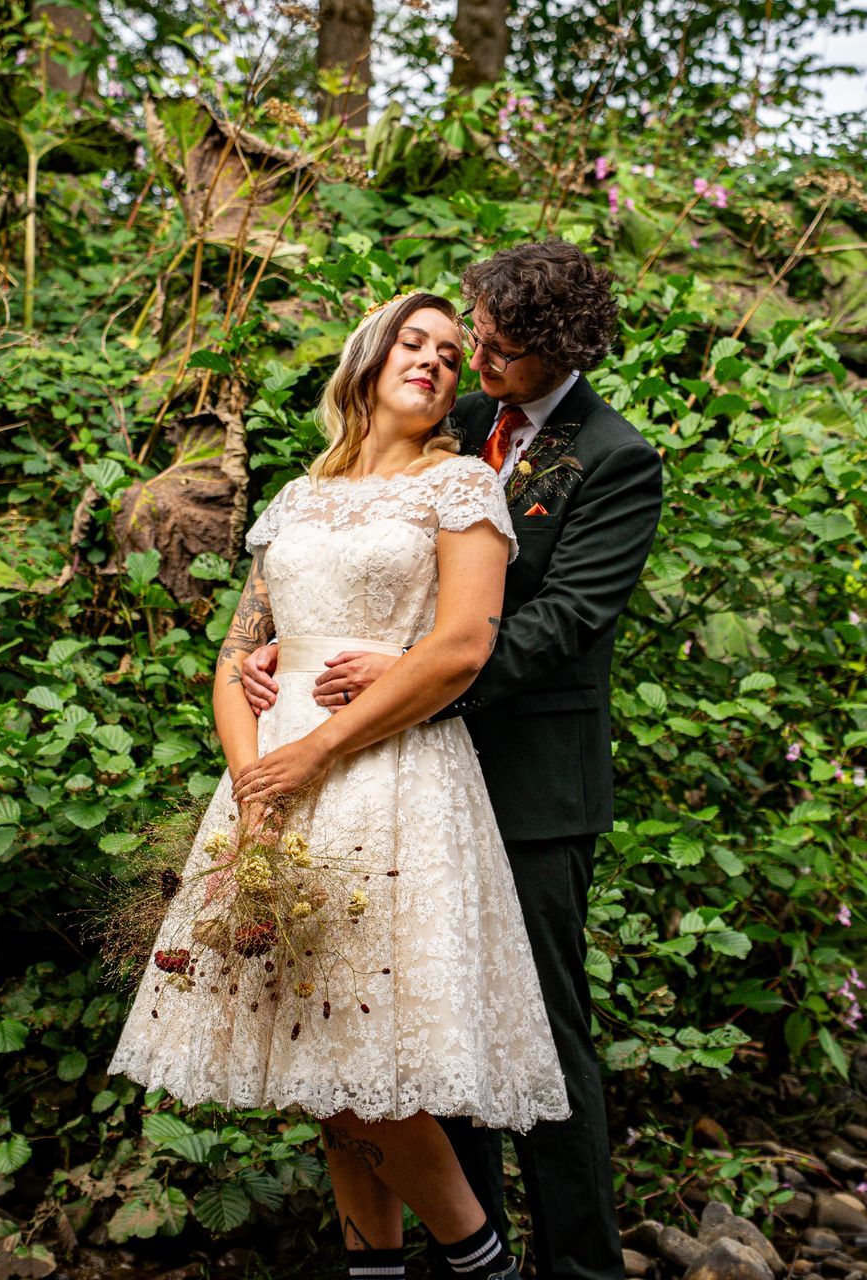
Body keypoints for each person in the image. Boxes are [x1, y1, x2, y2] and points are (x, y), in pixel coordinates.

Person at [109, 292, 570, 1280]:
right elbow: (237, 654)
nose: (436, 362)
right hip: (274, 782)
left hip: (391, 775)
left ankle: (483, 1260)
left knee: (365, 1061)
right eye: (415, 341)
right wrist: (255, 782)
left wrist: (318, 751)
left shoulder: (459, 486)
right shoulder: (292, 499)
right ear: (368, 358)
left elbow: (459, 648)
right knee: (314, 1061)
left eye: (453, 354)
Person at [241, 243, 665, 1280]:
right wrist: (283, 639)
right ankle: (465, 1255)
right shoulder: (462, 420)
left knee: (544, 1037)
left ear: (558, 352)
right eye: (473, 333)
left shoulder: (615, 456)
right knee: (426, 1030)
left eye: (501, 350)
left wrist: (418, 666)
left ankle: (578, 1270)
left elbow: (566, 619)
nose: (475, 358)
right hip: (395, 774)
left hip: (529, 784)